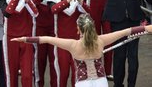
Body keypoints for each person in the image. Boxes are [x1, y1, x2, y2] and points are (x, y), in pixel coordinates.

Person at [12, 13, 152, 87]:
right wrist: (146, 28)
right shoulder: (101, 40)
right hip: (101, 82)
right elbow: (126, 31)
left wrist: (24, 39)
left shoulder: (73, 45)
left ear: (78, 29)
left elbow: (46, 39)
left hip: (83, 83)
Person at [99, 0, 148, 87]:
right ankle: (118, 84)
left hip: (133, 17)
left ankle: (131, 84)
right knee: (119, 55)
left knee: (133, 57)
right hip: (117, 19)